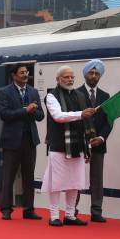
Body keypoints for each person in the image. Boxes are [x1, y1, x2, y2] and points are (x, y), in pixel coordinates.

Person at [41, 65, 96, 227]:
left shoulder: (80, 95)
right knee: (56, 183)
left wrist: (88, 147)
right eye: (66, 77)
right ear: (58, 79)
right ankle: (54, 215)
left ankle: (70, 215)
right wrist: (80, 114)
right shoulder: (51, 96)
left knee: (75, 182)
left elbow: (87, 123)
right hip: (59, 145)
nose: (70, 79)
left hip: (78, 145)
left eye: (72, 77)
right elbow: (58, 116)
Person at [0, 63, 45, 220]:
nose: (25, 75)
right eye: (22, 72)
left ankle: (28, 209)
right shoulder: (5, 92)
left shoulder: (33, 92)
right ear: (14, 75)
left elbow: (41, 115)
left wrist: (33, 111)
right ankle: (6, 209)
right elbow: (4, 114)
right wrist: (25, 110)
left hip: (30, 139)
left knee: (28, 175)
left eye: (26, 72)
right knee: (8, 176)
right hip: (11, 141)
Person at [76, 59, 112, 223]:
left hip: (98, 144)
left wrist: (101, 137)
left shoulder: (105, 96)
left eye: (97, 73)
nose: (94, 76)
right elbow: (72, 119)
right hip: (79, 143)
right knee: (76, 177)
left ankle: (96, 211)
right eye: (91, 72)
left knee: (97, 179)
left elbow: (109, 121)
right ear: (85, 74)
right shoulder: (75, 94)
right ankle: (72, 209)